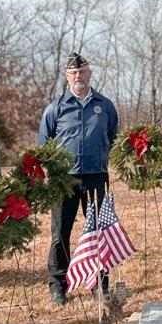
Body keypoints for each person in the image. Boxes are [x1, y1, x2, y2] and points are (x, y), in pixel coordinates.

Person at [38, 53, 118, 305]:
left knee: (98, 232)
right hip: (65, 179)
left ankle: (99, 284)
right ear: (67, 76)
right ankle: (58, 285)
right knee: (60, 232)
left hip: (96, 176)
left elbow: (112, 135)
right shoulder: (56, 108)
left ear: (89, 73)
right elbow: (44, 145)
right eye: (73, 73)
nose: (78, 76)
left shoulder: (104, 106)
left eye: (82, 71)